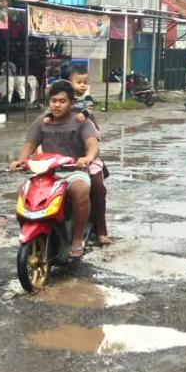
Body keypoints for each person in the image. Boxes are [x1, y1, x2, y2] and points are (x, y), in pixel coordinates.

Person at [10, 79, 98, 258]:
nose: (57, 105)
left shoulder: (81, 121)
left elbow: (92, 145)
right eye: (53, 101)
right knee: (23, 193)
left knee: (81, 191)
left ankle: (77, 238)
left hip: (73, 170)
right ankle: (32, 230)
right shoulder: (42, 121)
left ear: (71, 103)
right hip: (46, 171)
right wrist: (21, 161)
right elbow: (30, 145)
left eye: (62, 101)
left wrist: (87, 158)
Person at [69, 67, 111, 245]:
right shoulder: (59, 109)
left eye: (85, 83)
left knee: (98, 187)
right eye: (78, 82)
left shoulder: (86, 109)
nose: (82, 85)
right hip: (64, 160)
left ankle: (101, 231)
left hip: (86, 158)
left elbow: (94, 144)